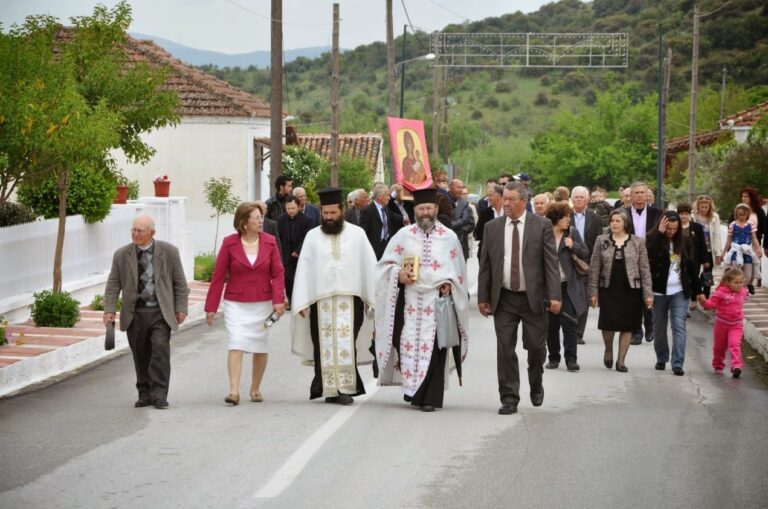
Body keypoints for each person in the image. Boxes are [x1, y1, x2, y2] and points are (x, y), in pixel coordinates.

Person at [375, 188, 469, 412]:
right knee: (409, 345)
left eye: (429, 208)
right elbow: (384, 265)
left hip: (438, 301)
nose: (425, 213)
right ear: (415, 211)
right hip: (411, 300)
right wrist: (399, 274)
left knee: (436, 347)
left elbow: (459, 273)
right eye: (421, 209)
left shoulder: (449, 237)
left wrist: (450, 283)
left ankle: (431, 398)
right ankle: (414, 391)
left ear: (436, 210)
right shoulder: (404, 235)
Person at [478, 181, 562, 415]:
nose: (505, 203)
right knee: (505, 348)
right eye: (504, 198)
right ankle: (509, 397)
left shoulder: (541, 225)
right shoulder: (492, 227)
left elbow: (551, 264)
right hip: (504, 298)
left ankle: (536, 383)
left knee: (536, 347)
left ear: (524, 202)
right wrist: (483, 297)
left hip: (533, 298)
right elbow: (486, 265)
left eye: (511, 199)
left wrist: (555, 295)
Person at [291, 187, 377, 404]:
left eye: (333, 213)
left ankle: (346, 388)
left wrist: (370, 297)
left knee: (347, 343)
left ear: (341, 210)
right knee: (323, 344)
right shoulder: (312, 236)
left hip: (352, 299)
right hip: (322, 301)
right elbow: (304, 269)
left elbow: (368, 265)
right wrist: (301, 300)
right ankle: (329, 389)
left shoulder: (357, 235)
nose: (329, 218)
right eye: (325, 213)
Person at [103, 214, 189, 409]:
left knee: (160, 351)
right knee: (140, 354)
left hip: (160, 312)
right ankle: (144, 393)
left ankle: (159, 395)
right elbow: (113, 285)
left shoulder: (169, 252)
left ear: (152, 232)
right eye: (133, 230)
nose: (135, 234)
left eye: (140, 231)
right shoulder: (121, 255)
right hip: (135, 313)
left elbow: (180, 284)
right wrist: (109, 310)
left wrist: (181, 308)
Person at [204, 203, 285, 405]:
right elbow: (218, 276)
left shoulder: (270, 241)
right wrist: (211, 307)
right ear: (244, 222)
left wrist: (278, 301)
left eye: (261, 217)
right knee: (236, 343)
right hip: (236, 303)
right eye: (256, 217)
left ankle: (255, 388)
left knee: (260, 345)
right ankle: (233, 391)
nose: (261, 221)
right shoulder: (229, 243)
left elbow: (278, 272)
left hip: (263, 303)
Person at [588, 210, 653, 373]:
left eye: (618, 221)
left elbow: (644, 268)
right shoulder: (601, 240)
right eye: (612, 221)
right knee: (608, 323)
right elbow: (594, 267)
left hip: (631, 289)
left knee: (627, 325)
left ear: (625, 224)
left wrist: (648, 294)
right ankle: (608, 349)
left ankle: (621, 360)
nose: (614, 224)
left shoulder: (637, 242)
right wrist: (593, 292)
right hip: (608, 288)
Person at [646, 211, 702, 376]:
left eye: (674, 228)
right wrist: (659, 234)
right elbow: (648, 254)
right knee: (659, 328)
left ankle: (677, 363)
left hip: (679, 290)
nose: (671, 231)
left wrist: (698, 291)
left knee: (679, 326)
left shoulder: (684, 241)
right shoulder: (653, 238)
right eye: (668, 228)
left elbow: (691, 266)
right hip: (658, 291)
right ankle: (661, 358)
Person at [544, 202, 589, 372]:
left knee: (570, 323)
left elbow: (586, 253)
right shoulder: (544, 233)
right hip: (549, 286)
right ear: (556, 218)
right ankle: (553, 357)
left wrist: (573, 245)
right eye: (565, 217)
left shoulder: (572, 233)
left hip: (567, 285)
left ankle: (571, 359)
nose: (568, 220)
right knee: (551, 324)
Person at [624, 181, 661, 345]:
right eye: (636, 193)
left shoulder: (657, 213)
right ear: (631, 196)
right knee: (633, 296)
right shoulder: (623, 213)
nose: (639, 196)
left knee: (648, 294)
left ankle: (650, 326)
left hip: (651, 259)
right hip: (629, 259)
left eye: (642, 193)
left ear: (647, 195)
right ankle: (636, 330)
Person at [697, 267, 748, 378]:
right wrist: (703, 301)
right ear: (728, 283)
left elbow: (744, 296)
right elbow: (711, 304)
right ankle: (718, 366)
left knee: (734, 345)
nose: (739, 285)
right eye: (736, 282)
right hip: (721, 324)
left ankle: (736, 367)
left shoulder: (743, 292)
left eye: (741, 282)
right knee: (719, 347)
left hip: (736, 324)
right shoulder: (720, 292)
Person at [570, 186, 603, 345]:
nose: (579, 200)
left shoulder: (595, 219)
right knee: (569, 296)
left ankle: (578, 332)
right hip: (568, 261)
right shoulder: (565, 216)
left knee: (583, 297)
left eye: (582, 197)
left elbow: (598, 242)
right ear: (571, 199)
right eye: (576, 197)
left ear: (587, 200)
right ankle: (568, 327)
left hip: (587, 262)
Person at [276, 195, 314, 304]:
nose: (291, 211)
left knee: (301, 279)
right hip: (286, 255)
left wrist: (298, 251)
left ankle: (302, 301)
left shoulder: (307, 220)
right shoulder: (281, 220)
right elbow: (279, 238)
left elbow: (308, 238)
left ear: (298, 207)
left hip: (301, 255)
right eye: (288, 208)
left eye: (293, 208)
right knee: (288, 279)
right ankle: (291, 300)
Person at [723, 203, 763, 294]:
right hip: (736, 252)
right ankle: (738, 293)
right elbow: (728, 240)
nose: (741, 216)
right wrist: (723, 253)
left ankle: (742, 290)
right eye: (739, 214)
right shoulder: (732, 225)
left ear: (747, 214)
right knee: (736, 275)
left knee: (748, 276)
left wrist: (758, 249)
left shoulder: (750, 224)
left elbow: (754, 238)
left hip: (747, 252)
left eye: (743, 214)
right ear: (736, 214)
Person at [677, 202, 709, 310]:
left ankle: (694, 297)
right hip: (679, 258)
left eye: (686, 214)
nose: (684, 216)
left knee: (694, 278)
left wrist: (705, 260)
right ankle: (683, 301)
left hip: (694, 258)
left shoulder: (697, 227)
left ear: (689, 214)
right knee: (682, 278)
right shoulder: (675, 226)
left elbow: (702, 244)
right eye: (681, 214)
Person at [693, 195, 723, 298]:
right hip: (695, 250)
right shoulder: (693, 216)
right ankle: (694, 296)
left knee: (707, 275)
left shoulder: (715, 217)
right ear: (698, 206)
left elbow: (717, 235)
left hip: (709, 250)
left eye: (706, 207)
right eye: (702, 207)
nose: (704, 209)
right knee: (694, 273)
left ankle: (706, 297)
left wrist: (718, 253)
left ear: (710, 207)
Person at [448, 179, 475, 260]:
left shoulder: (464, 203)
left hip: (461, 243)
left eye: (461, 188)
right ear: (450, 187)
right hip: (446, 244)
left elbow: (469, 223)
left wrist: (461, 232)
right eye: (458, 187)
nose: (460, 190)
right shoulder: (443, 200)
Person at [474, 183, 503, 259]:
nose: (488, 198)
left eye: (490, 195)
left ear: (499, 196)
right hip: (487, 253)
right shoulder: (485, 213)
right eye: (487, 195)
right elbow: (478, 233)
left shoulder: (509, 212)